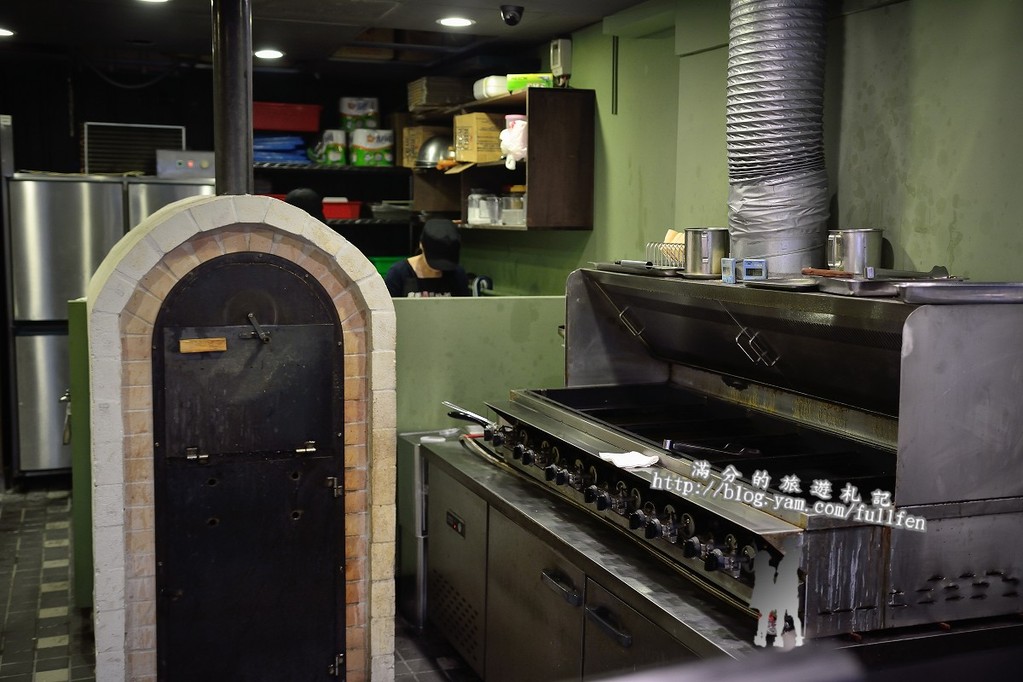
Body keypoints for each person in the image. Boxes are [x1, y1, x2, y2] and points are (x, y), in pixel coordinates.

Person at [385, 219, 470, 297]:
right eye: (435, 257)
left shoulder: (457, 274)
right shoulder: (398, 274)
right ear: (421, 245)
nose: (439, 268)